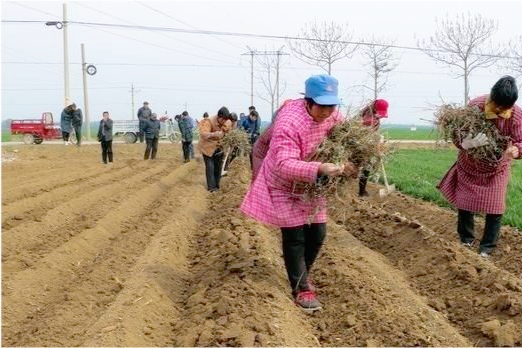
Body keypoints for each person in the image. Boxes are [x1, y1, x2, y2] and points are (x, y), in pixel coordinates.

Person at [240, 74, 357, 312]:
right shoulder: (289, 123)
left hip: (313, 183)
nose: (327, 111)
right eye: (322, 106)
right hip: (284, 183)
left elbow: (346, 138)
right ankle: (301, 288)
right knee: (295, 237)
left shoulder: (334, 115)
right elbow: (284, 163)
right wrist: (321, 167)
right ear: (308, 101)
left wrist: (353, 160)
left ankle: (302, 274)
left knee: (317, 234)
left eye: (331, 105)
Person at [438, 75, 522, 257]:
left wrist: (516, 150)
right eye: (496, 105)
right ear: (491, 96)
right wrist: (466, 143)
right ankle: (466, 240)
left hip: (496, 168)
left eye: (503, 108)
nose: (499, 110)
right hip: (471, 164)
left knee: (495, 206)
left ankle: (487, 248)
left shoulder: (516, 116)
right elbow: (457, 132)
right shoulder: (475, 106)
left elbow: (520, 141)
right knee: (465, 203)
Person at [357, 99, 389, 196]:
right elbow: (372, 136)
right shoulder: (370, 119)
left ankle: (362, 191)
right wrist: (378, 149)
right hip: (362, 145)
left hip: (364, 144)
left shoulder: (368, 114)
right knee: (366, 167)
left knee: (365, 167)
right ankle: (362, 192)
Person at [198, 106, 233, 192]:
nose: (224, 122)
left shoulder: (227, 121)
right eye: (222, 119)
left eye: (225, 120)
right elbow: (203, 134)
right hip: (207, 148)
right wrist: (214, 134)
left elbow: (228, 129)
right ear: (219, 116)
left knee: (218, 167)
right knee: (210, 167)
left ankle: (217, 185)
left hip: (219, 148)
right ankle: (211, 188)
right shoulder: (209, 121)